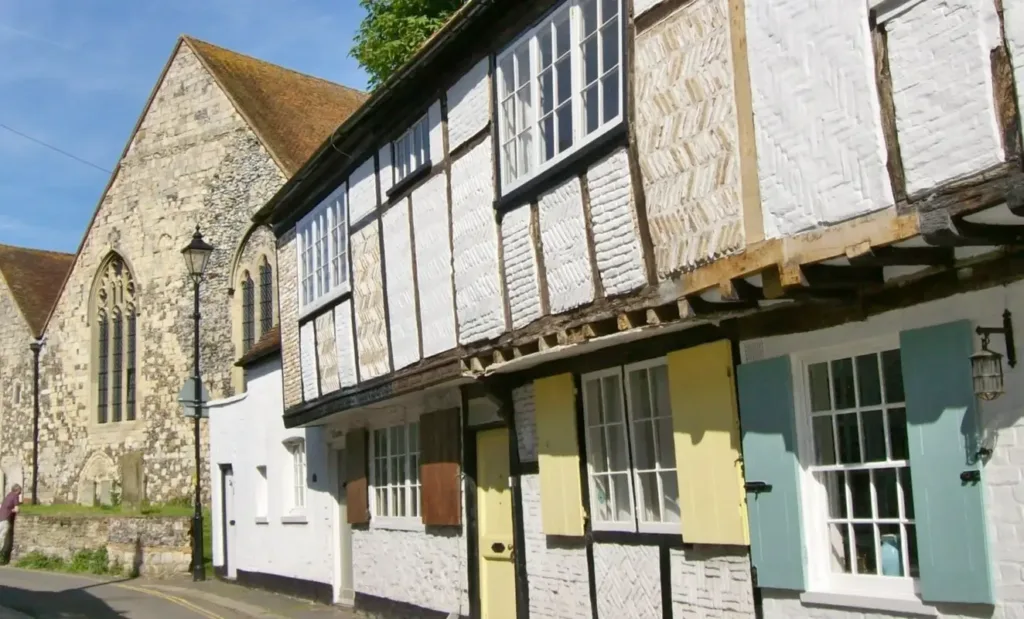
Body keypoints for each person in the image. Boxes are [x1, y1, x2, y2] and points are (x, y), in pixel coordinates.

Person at [0, 485, 22, 565]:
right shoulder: (15, 496)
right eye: (20, 491)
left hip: (0, 518)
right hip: (5, 519)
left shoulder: (8, 495)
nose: (20, 493)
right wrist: (14, 510)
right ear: (17, 490)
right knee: (2, 539)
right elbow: (17, 509)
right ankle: (2, 558)